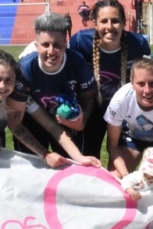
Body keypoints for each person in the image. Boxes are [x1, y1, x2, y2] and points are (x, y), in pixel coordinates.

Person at [0, 50, 100, 175]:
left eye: (9, 80)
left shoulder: (18, 95)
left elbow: (52, 127)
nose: (2, 87)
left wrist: (79, 157)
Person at [69, 0, 153, 157]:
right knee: (87, 157)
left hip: (125, 110)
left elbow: (149, 76)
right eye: (104, 21)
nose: (109, 27)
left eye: (115, 21)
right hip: (91, 109)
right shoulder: (80, 42)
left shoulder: (137, 43)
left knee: (123, 157)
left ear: (123, 23)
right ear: (95, 23)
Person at [14, 12, 97, 157]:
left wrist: (81, 122)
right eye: (45, 45)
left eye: (57, 45)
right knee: (30, 170)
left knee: (70, 168)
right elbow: (15, 122)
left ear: (65, 44)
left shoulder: (77, 63)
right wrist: (44, 154)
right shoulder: (25, 69)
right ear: (36, 45)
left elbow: (88, 95)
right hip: (32, 122)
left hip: (66, 121)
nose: (51, 51)